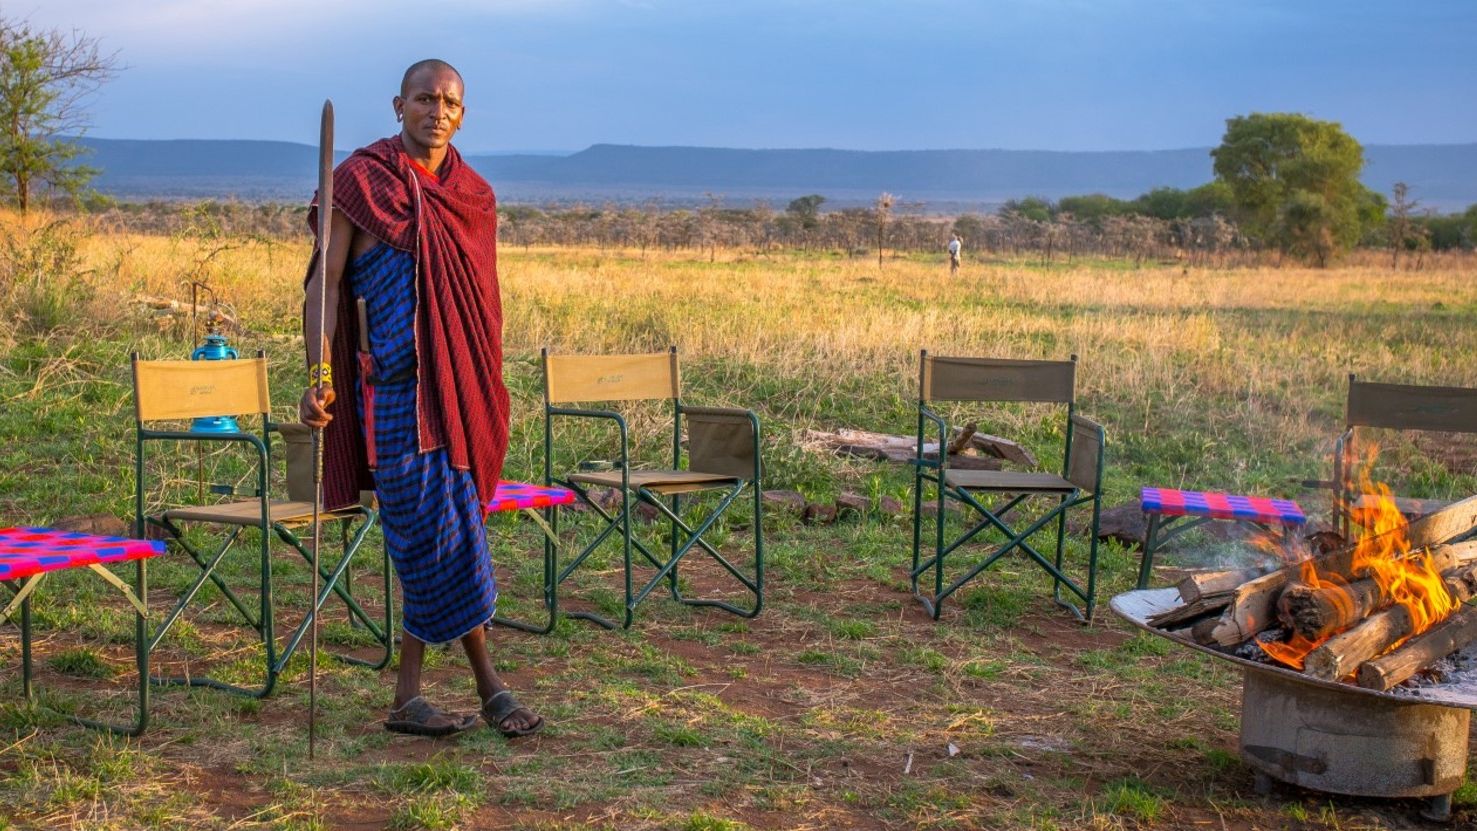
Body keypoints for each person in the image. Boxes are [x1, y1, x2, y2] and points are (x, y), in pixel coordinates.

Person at [299, 59, 542, 739]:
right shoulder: (361, 184)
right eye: (424, 99)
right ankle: (487, 684)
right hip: (395, 396)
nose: (437, 110)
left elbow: (480, 309)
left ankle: (412, 695)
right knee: (427, 535)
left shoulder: (472, 195)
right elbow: (324, 286)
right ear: (398, 105)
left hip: (457, 394)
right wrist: (315, 376)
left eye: (450, 102)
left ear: (462, 114)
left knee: (443, 535)